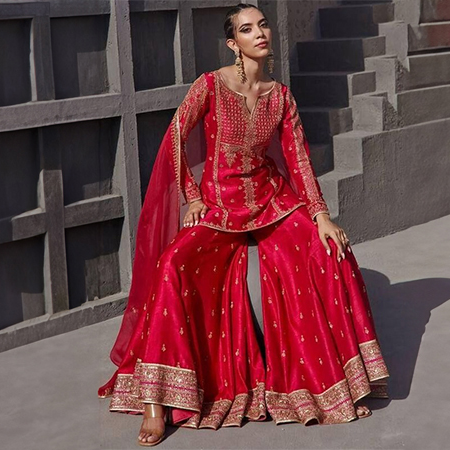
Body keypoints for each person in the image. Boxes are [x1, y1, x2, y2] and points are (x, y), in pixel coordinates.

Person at [97, 3, 389, 446]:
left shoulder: (281, 96)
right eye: (247, 29)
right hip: (218, 205)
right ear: (234, 43)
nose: (260, 33)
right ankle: (157, 401)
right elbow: (176, 137)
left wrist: (320, 215)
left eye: (263, 24)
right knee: (174, 262)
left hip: (272, 200)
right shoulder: (211, 86)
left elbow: (300, 161)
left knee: (329, 250)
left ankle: (334, 383)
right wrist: (192, 197)